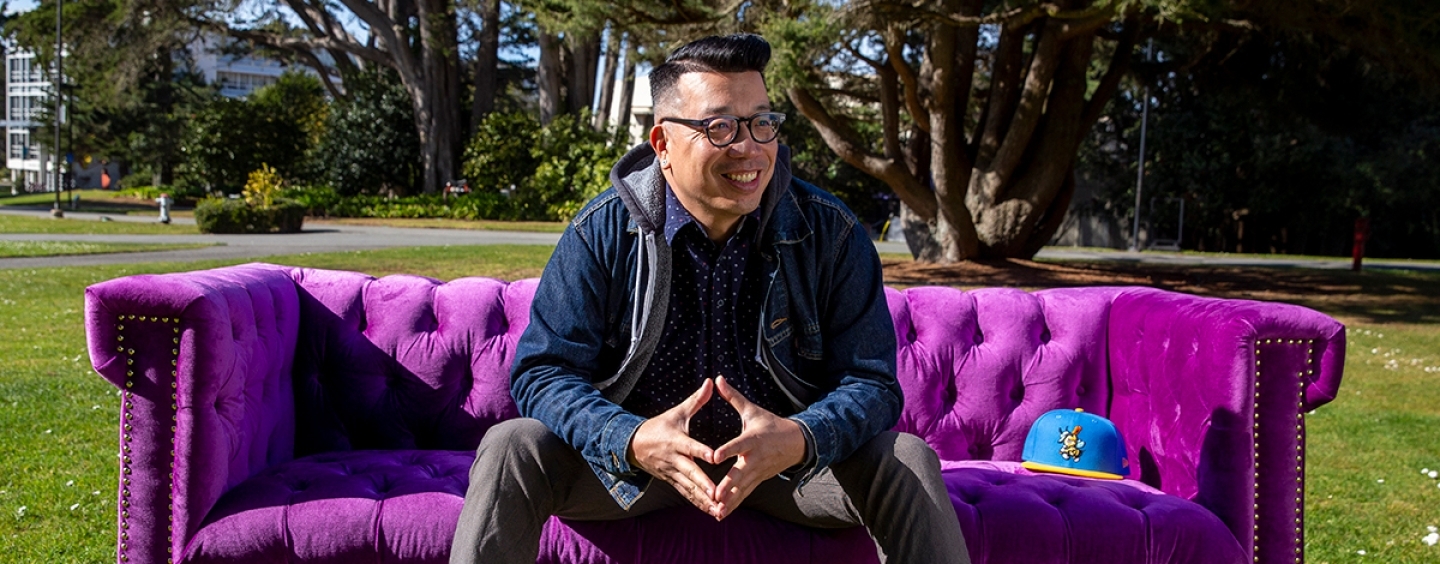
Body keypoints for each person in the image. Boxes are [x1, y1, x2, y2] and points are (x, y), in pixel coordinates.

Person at [450, 34, 970, 564]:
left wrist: (799, 437)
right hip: (633, 469)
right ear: (662, 144)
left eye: (761, 122)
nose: (749, 147)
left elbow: (873, 382)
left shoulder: (830, 232)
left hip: (787, 471)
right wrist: (630, 439)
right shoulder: (600, 231)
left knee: (905, 457)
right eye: (719, 127)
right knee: (512, 444)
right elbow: (542, 372)